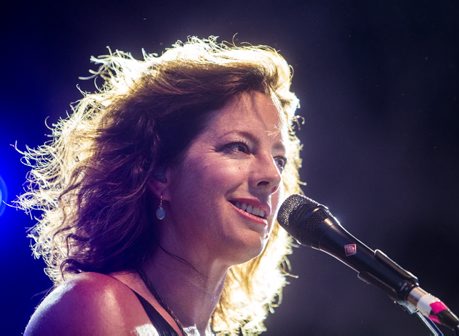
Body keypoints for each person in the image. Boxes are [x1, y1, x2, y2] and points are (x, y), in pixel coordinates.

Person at [16, 36, 303, 335]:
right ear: (159, 172)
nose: (272, 175)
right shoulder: (97, 306)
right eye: (239, 147)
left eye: (280, 160)